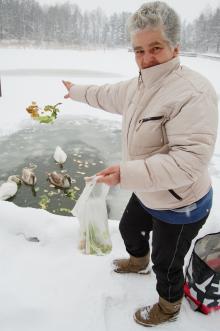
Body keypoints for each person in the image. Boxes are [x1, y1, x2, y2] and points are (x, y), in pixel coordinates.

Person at [63, 1, 218, 327]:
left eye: (156, 48)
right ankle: (138, 260)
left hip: (181, 203)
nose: (146, 58)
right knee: (128, 228)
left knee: (168, 263)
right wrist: (76, 91)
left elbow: (188, 162)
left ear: (176, 46)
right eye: (139, 50)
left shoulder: (193, 93)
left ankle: (169, 305)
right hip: (150, 190)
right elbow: (106, 94)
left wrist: (127, 173)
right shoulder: (140, 85)